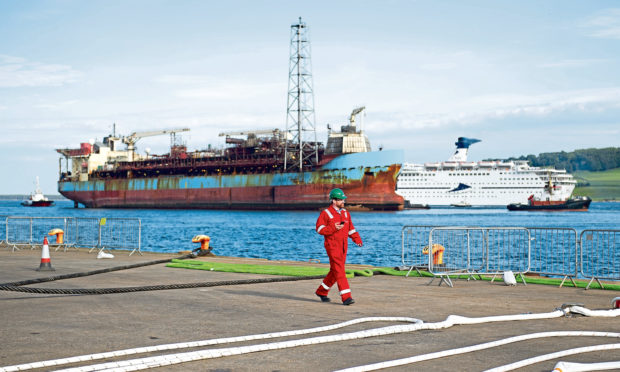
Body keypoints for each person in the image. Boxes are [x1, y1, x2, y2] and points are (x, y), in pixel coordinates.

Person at [314, 188, 363, 305]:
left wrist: (357, 239)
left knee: (335, 270)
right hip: (332, 246)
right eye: (341, 200)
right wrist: (333, 228)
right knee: (340, 271)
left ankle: (321, 291)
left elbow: (351, 229)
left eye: (343, 200)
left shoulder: (346, 213)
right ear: (334, 201)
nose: (343, 202)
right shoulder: (326, 213)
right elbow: (319, 229)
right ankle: (346, 297)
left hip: (343, 246)